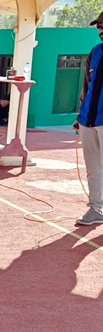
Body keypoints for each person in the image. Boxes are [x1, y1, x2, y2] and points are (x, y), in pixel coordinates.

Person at [74, 12, 103, 226]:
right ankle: (95, 208)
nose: (100, 30)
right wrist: (79, 116)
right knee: (93, 167)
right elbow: (87, 86)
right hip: (88, 121)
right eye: (98, 26)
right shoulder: (95, 52)